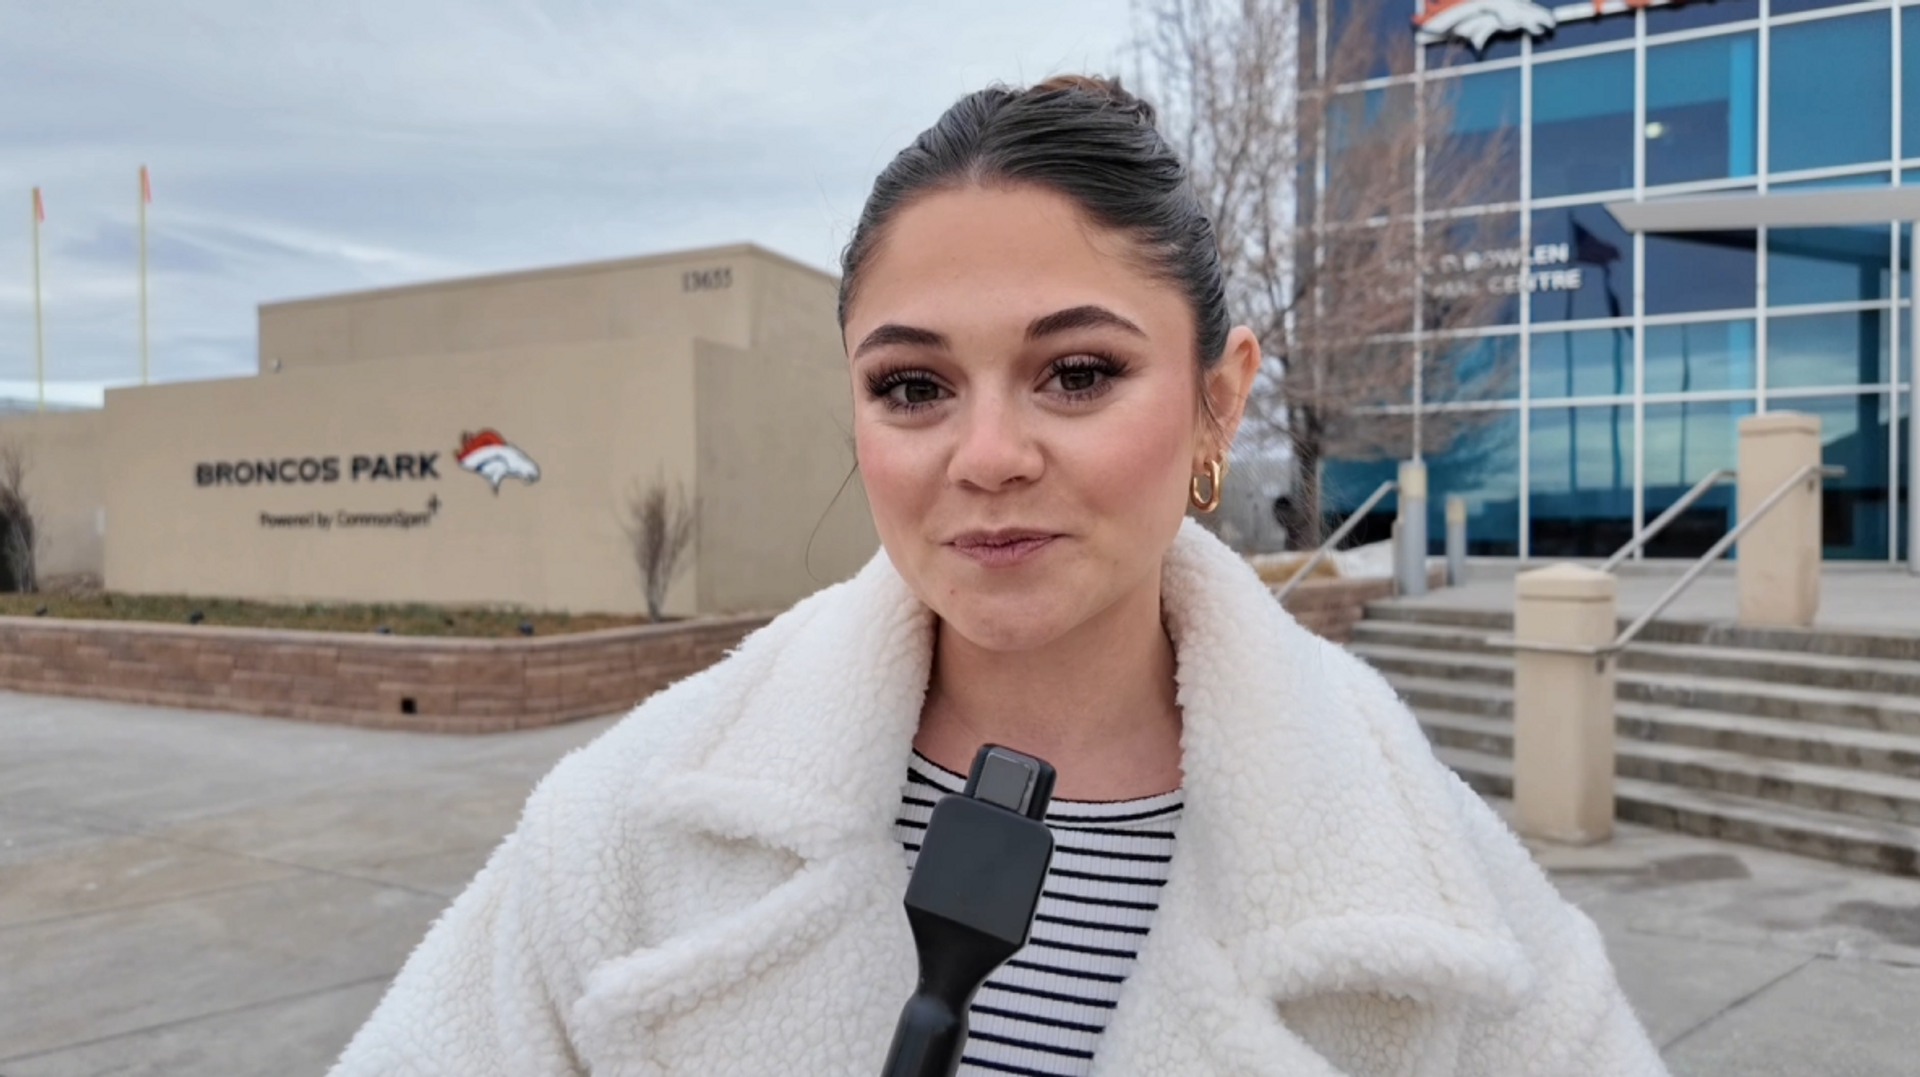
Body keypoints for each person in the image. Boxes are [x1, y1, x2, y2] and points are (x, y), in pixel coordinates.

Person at [327, 75, 1667, 1077]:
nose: (986, 457)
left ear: (1218, 401)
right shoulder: (631, 822)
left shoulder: (1426, 884)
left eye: (1077, 372)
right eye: (913, 386)